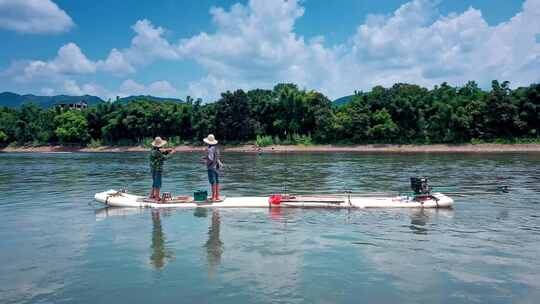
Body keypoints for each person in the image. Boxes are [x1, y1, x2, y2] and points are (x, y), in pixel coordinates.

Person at [149, 136, 174, 201]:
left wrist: (167, 151)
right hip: (157, 169)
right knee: (158, 183)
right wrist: (171, 153)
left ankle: (152, 195)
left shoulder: (153, 150)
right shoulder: (157, 152)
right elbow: (164, 158)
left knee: (155, 181)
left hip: (153, 168)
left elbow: (162, 152)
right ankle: (157, 197)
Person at [203, 134, 222, 201]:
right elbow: (216, 157)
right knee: (217, 181)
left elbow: (210, 159)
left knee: (212, 182)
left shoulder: (209, 149)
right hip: (217, 167)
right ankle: (217, 196)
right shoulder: (216, 148)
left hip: (211, 167)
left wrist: (205, 161)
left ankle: (213, 197)